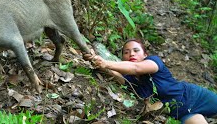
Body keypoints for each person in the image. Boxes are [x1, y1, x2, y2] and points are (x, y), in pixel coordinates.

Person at [84, 39, 217, 124]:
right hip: (182, 112)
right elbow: (112, 73)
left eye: (136, 50)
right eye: (126, 52)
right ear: (122, 58)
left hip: (195, 96)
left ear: (145, 55)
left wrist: (105, 63)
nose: (131, 54)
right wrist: (94, 59)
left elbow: (136, 68)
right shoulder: (130, 81)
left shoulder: (154, 62)